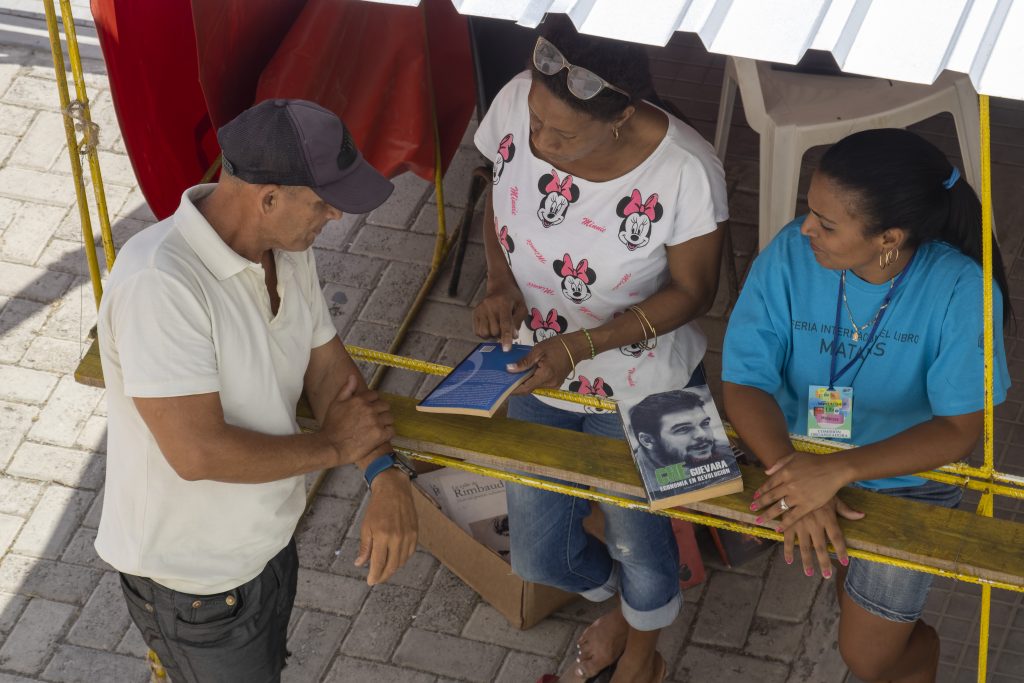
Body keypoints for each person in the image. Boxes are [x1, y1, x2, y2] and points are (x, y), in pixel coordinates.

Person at [95, 99, 418, 683]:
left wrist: (384, 472)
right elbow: (197, 453)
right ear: (268, 198)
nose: (336, 217)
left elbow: (330, 376)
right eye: (323, 202)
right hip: (198, 586)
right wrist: (336, 449)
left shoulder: (286, 250)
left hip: (266, 545)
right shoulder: (160, 284)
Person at [472, 17, 727, 683]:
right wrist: (499, 280)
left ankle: (644, 649)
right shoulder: (517, 102)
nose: (539, 141)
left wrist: (583, 343)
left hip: (651, 380)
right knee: (538, 556)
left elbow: (695, 291)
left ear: (620, 118)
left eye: (560, 135)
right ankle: (627, 599)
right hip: (539, 367)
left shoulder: (687, 169)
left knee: (647, 544)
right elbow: (498, 192)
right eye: (535, 121)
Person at [722, 128, 1011, 683]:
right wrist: (799, 478)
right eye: (810, 211)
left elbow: (957, 432)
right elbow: (744, 382)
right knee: (860, 609)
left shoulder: (960, 291)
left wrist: (834, 472)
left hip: (909, 481)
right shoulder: (790, 254)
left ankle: (911, 649)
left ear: (889, 238)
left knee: (868, 657)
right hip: (799, 456)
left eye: (827, 224)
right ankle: (897, 634)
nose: (805, 229)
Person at [627, 389, 736, 473]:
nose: (702, 434)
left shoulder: (728, 454)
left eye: (705, 424)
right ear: (647, 440)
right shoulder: (632, 475)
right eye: (683, 429)